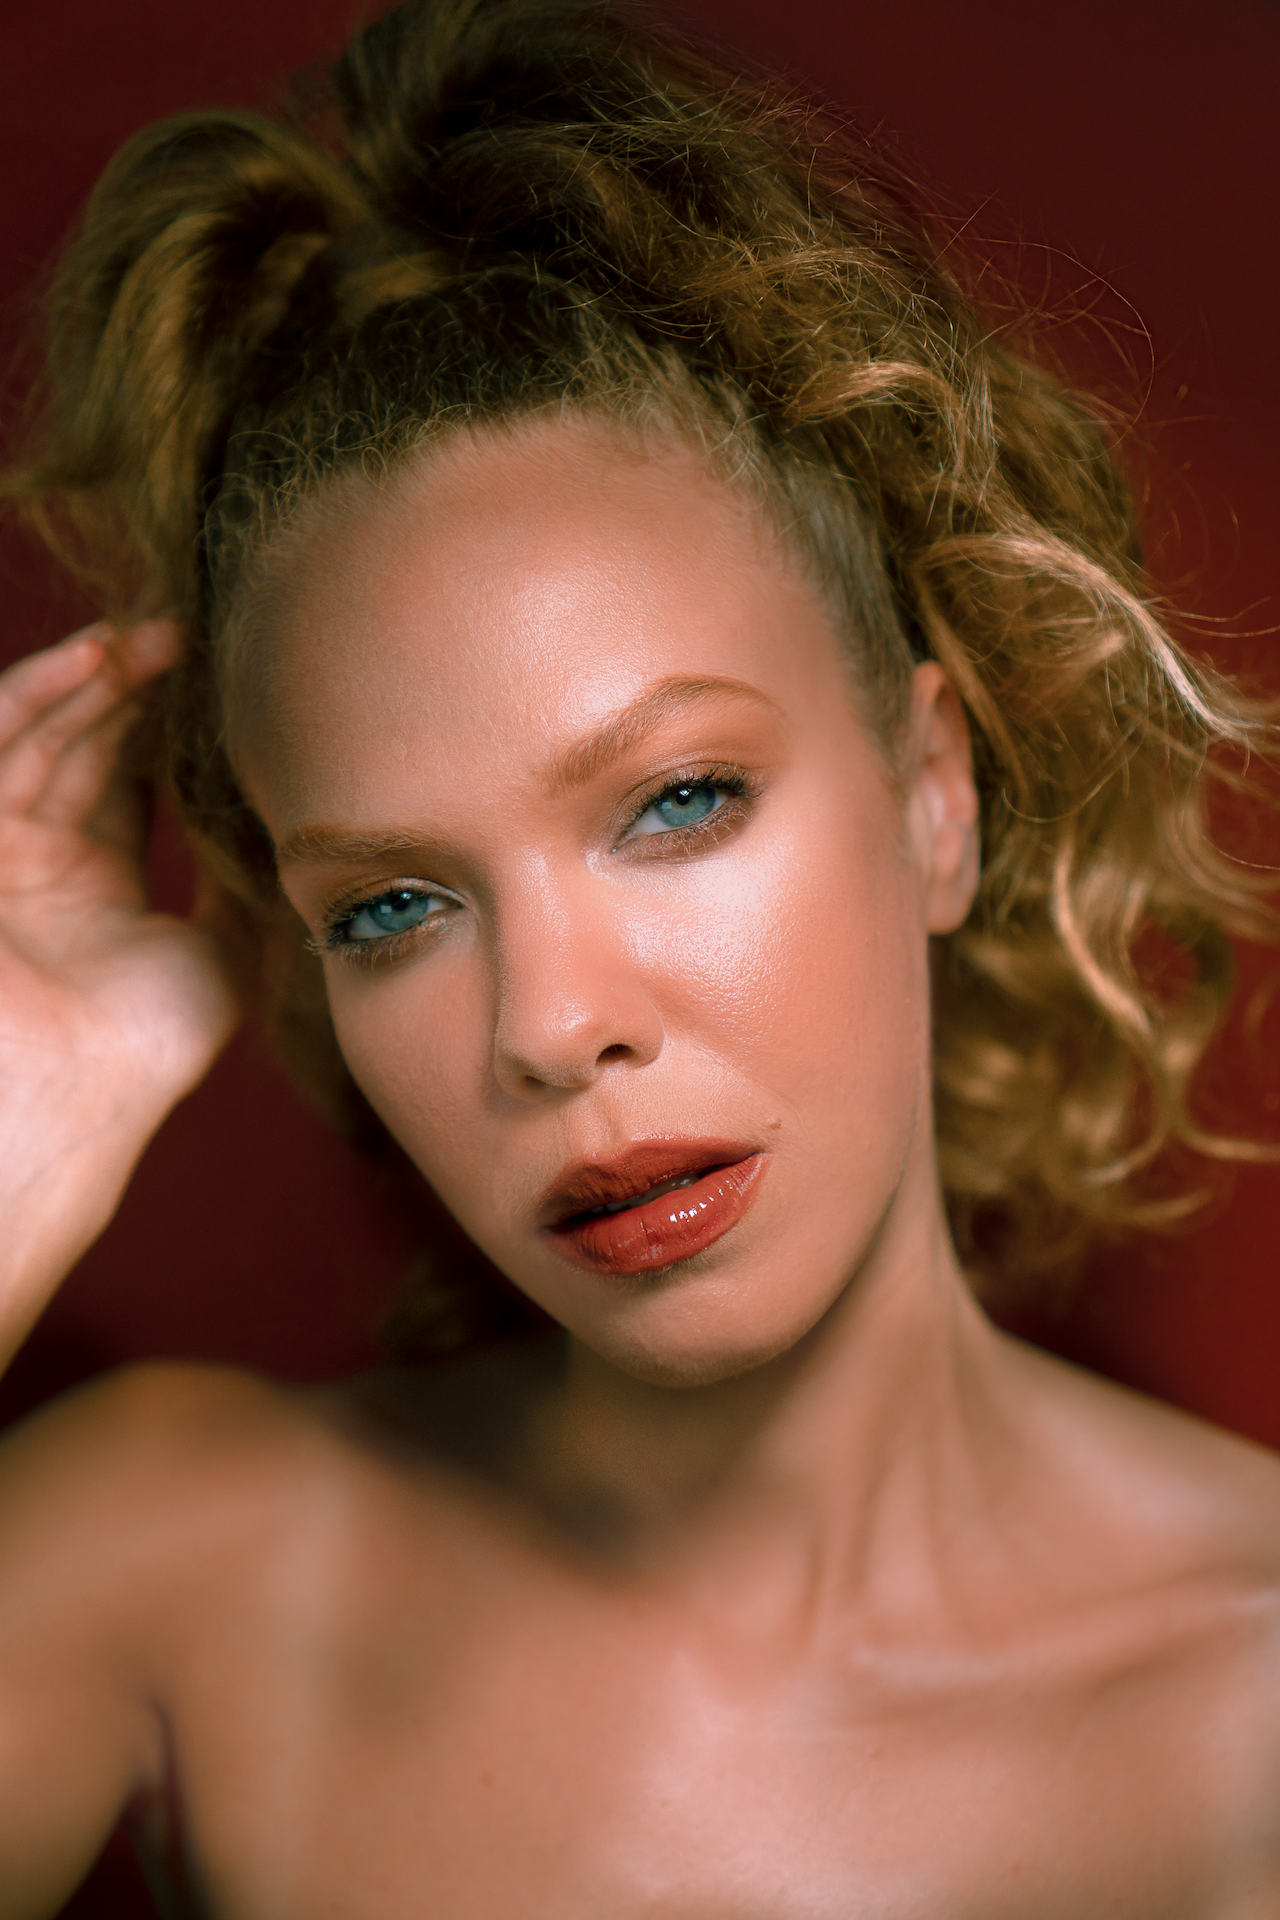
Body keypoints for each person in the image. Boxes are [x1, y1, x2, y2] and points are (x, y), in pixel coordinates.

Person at [1, 0, 1278, 1911]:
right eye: (392, 906)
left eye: (679, 800)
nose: (553, 1024)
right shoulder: (174, 1565)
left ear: (933, 792)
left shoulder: (1251, 1717)